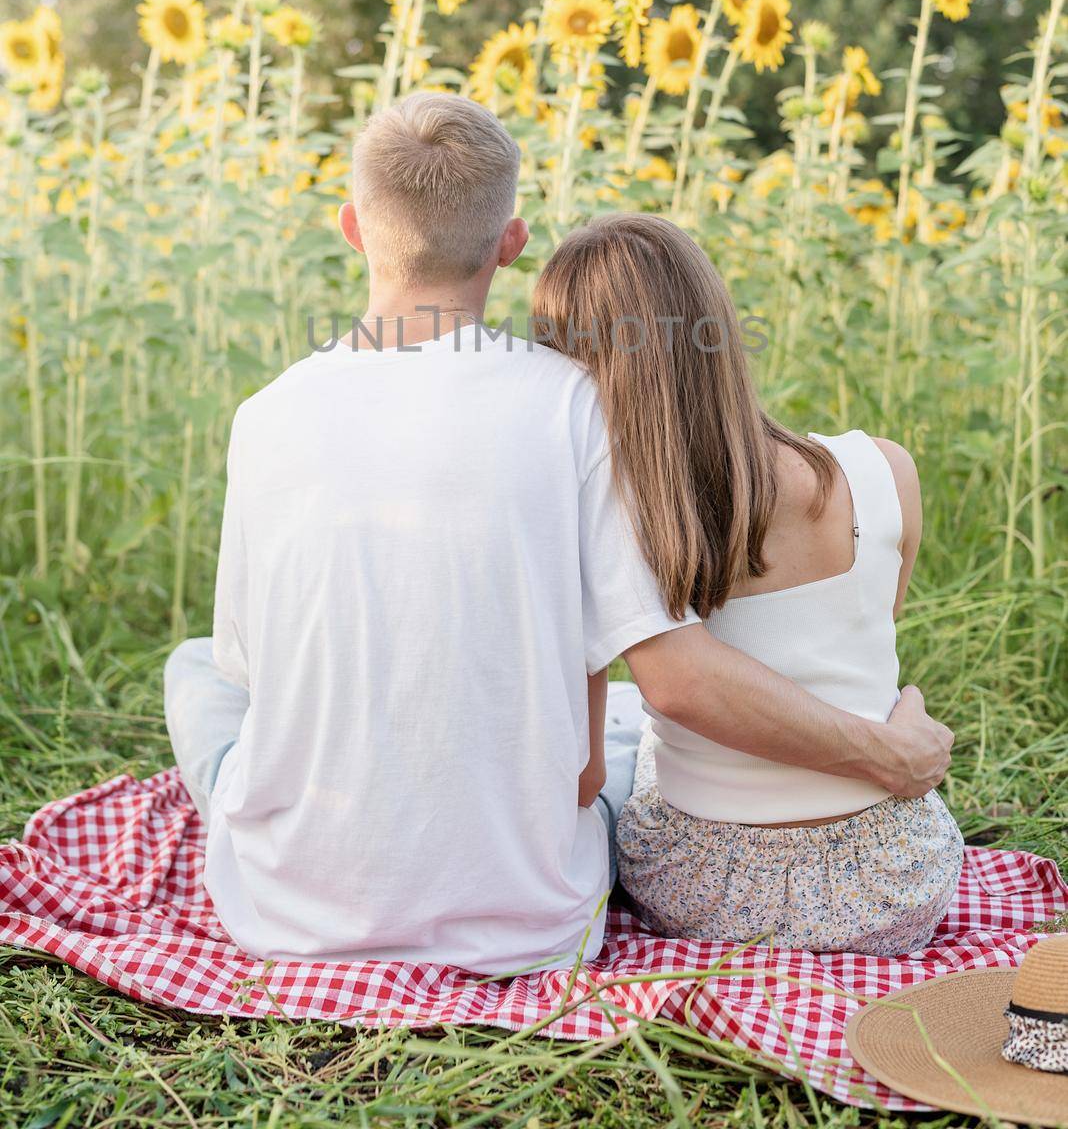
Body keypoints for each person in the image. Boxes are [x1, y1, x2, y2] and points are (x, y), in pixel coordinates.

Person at [164, 94, 953, 976]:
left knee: (197, 669)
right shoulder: (571, 406)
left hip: (288, 911)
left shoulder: (263, 418)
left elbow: (252, 664)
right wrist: (882, 747)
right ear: (510, 241)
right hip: (529, 924)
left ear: (352, 228)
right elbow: (622, 727)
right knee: (613, 720)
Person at [532, 213, 964, 955]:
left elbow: (589, 768)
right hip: (896, 885)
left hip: (713, 892)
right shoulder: (886, 469)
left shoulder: (618, 516)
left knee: (626, 746)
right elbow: (865, 647)